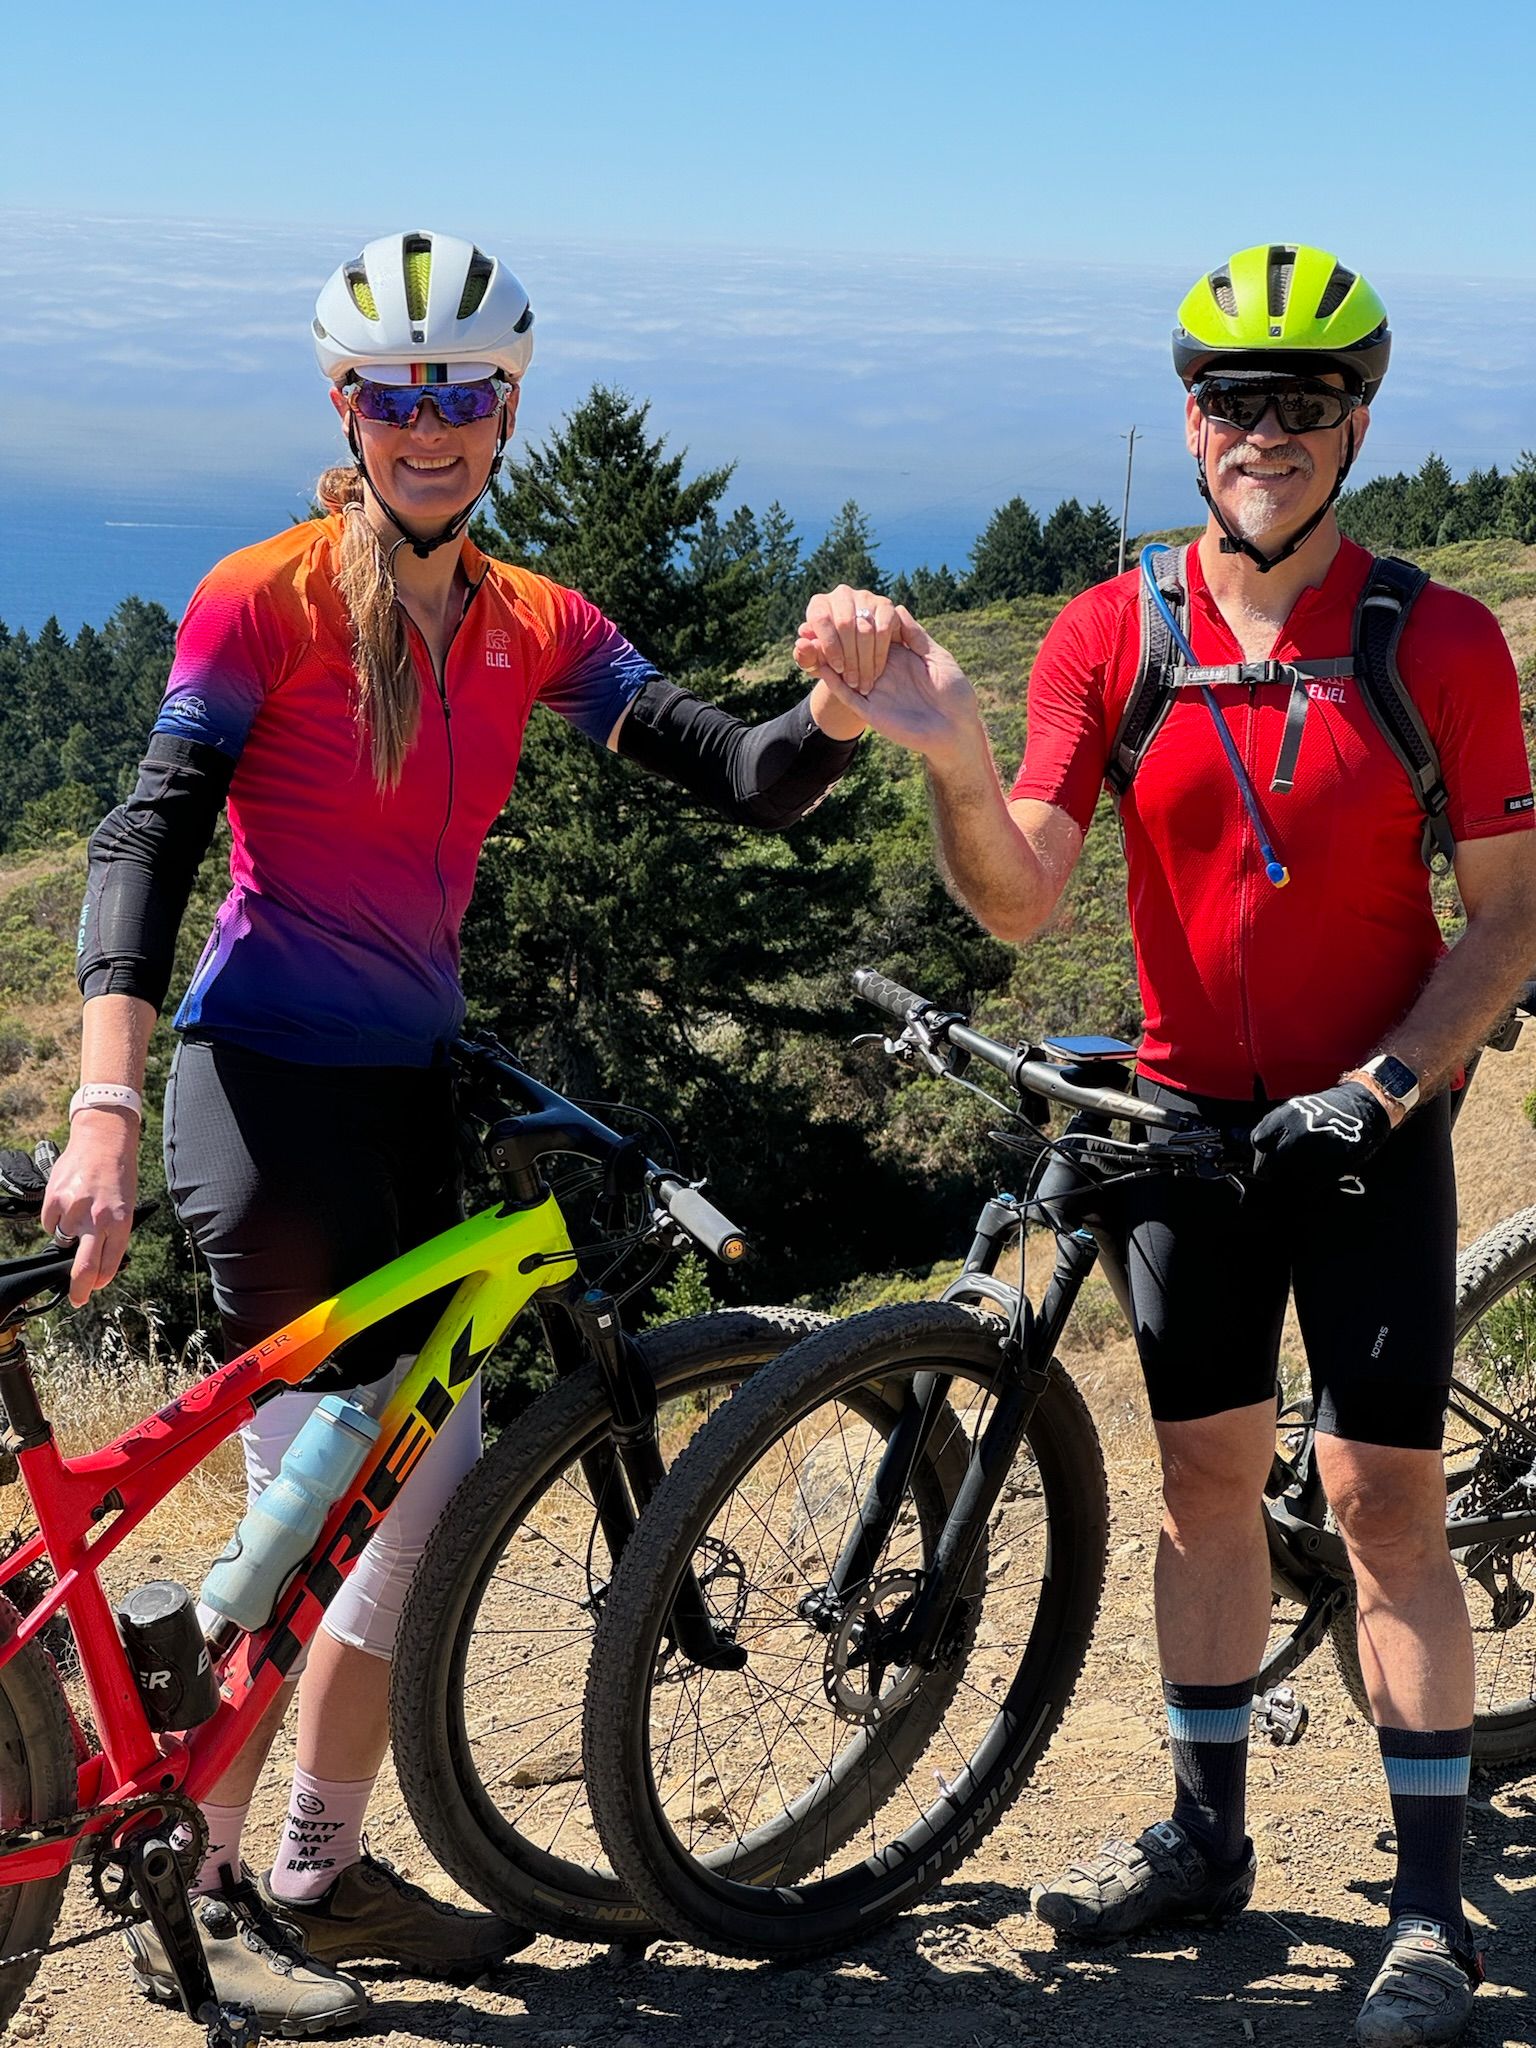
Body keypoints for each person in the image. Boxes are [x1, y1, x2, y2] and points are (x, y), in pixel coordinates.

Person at [43, 228, 891, 2034]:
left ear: (509, 408)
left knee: (379, 1514)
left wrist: (839, 703)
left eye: (463, 395)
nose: (428, 426)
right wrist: (102, 1103)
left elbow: (734, 774)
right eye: (393, 394)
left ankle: (292, 1862)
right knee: (345, 1506)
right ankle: (219, 1865)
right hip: (259, 1096)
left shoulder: (536, 623)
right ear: (346, 409)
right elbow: (145, 841)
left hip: (409, 1094)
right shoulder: (258, 600)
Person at [795, 243, 1536, 2047]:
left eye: (1302, 404)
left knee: (1380, 1510)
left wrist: (1396, 1085)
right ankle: (1209, 1841)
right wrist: (956, 753)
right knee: (1205, 1486)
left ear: (1357, 422)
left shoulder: (1435, 637)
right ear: (1189, 418)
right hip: (1181, 1129)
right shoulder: (1111, 634)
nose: (1261, 434)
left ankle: (1428, 1915)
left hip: (1367, 1126)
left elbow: (1511, 918)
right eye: (1231, 401)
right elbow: (1022, 892)